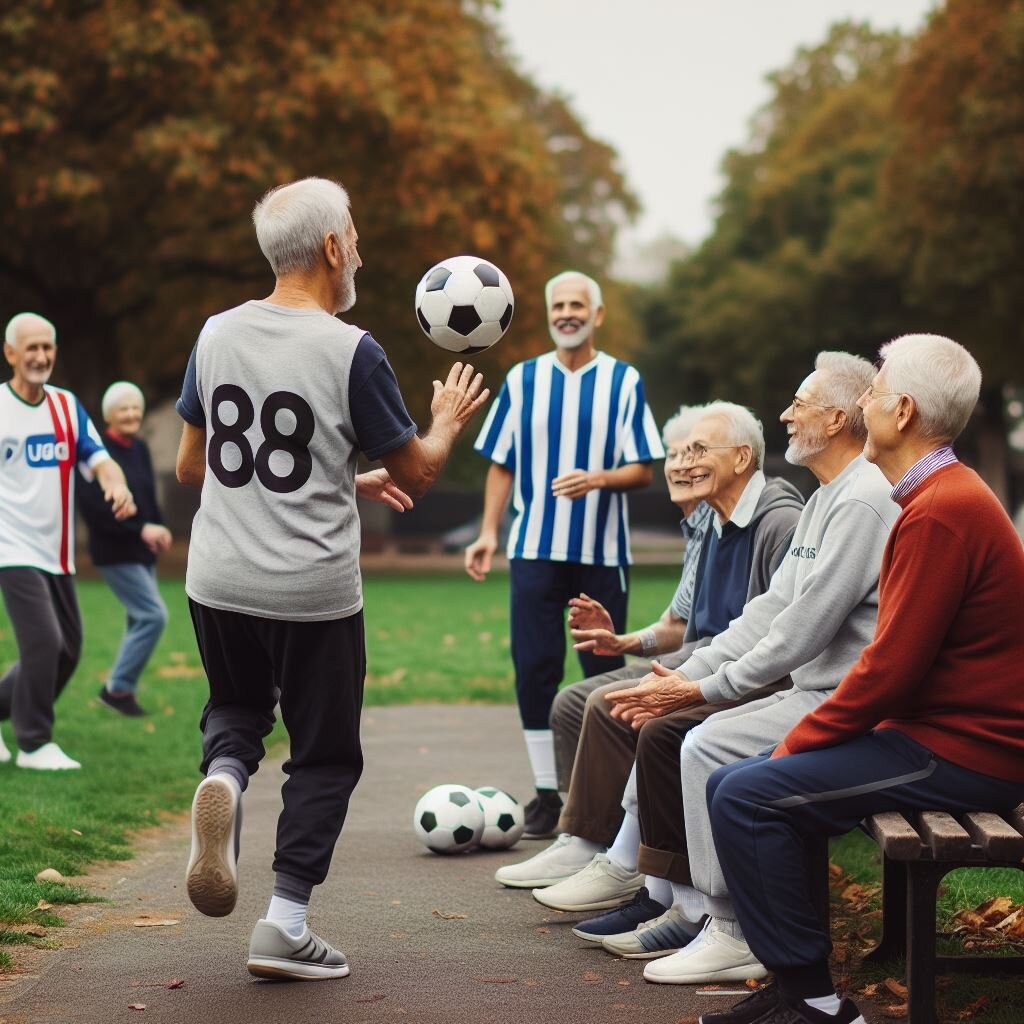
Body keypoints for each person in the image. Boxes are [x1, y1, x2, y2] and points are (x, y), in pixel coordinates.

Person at [175, 176, 489, 982]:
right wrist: (447, 421)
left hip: (217, 577)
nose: (360, 245)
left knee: (237, 708)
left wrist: (335, 475)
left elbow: (191, 466)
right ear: (329, 248)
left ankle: (223, 779)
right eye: (353, 232)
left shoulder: (214, 334)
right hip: (309, 591)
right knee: (322, 756)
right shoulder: (353, 350)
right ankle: (283, 926)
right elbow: (415, 475)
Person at [706, 334, 1024, 1024]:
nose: (865, 400)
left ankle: (816, 1005)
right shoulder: (937, 496)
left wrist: (798, 743)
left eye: (875, 390)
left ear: (902, 412)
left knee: (748, 796)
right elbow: (894, 667)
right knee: (732, 782)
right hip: (931, 735)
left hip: (968, 752)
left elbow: (887, 671)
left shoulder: (941, 509)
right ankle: (794, 988)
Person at [587, 353, 898, 982]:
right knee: (699, 741)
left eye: (800, 403)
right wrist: (690, 673)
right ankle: (717, 920)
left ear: (837, 418)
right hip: (815, 693)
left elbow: (804, 628)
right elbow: (769, 611)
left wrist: (701, 687)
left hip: (847, 701)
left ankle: (731, 928)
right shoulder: (825, 498)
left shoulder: (862, 499)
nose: (785, 414)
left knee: (704, 744)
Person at [496, 402, 803, 905]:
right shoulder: (715, 524)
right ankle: (594, 838)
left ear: (742, 458)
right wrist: (623, 643)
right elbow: (681, 625)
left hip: (739, 671)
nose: (681, 463)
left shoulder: (776, 523)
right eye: (676, 453)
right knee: (578, 702)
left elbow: (767, 636)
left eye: (697, 451)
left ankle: (628, 861)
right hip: (708, 657)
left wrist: (682, 676)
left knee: (612, 706)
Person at [465, 270, 664, 837]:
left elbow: (643, 468)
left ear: (597, 315)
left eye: (578, 305)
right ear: (548, 314)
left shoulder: (623, 381)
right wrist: (487, 532)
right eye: (559, 305)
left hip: (601, 555)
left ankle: (602, 797)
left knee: (603, 672)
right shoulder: (522, 379)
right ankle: (546, 794)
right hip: (533, 549)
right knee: (534, 669)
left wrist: (597, 479)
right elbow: (502, 462)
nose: (567, 313)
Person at [0, 313, 135, 770]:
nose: (41, 357)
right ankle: (34, 744)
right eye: (31, 348)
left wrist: (115, 484)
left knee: (68, 650)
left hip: (55, 552)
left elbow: (100, 460)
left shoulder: (65, 406)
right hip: (10, 548)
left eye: (48, 348)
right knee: (43, 642)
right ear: (11, 353)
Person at [78, 381, 171, 716]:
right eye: (123, 409)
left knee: (139, 618)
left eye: (135, 408)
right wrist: (140, 529)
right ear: (108, 415)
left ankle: (121, 692)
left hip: (140, 549)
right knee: (153, 615)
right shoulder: (98, 454)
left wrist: (158, 529)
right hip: (114, 551)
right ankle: (117, 689)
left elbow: (147, 498)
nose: (131, 414)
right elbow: (94, 508)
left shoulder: (141, 448)